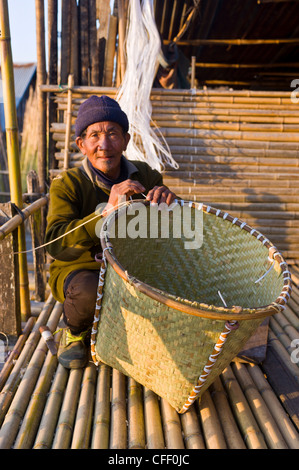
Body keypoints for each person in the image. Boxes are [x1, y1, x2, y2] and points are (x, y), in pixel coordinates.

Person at [45, 95, 177, 369]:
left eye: (112, 134)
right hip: (82, 270)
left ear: (126, 140)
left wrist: (167, 205)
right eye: (94, 135)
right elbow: (56, 245)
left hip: (133, 266)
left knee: (174, 283)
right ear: (81, 145)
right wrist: (104, 213)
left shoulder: (146, 176)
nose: (104, 145)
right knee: (88, 292)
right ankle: (75, 333)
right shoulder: (67, 184)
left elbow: (163, 234)